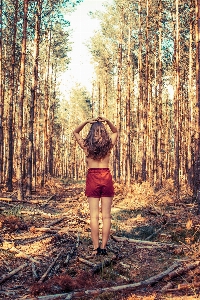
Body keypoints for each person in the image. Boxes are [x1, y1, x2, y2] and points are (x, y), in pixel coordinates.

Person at [73, 117, 118, 256]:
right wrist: (107, 121)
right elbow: (116, 131)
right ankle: (103, 248)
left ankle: (95, 248)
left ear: (91, 132)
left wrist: (86, 121)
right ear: (104, 132)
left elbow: (75, 132)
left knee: (94, 216)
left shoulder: (87, 146)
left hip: (92, 178)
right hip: (106, 177)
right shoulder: (108, 144)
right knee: (106, 216)